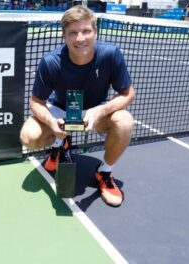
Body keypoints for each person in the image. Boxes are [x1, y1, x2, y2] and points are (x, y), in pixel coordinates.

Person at [20, 5, 135, 207]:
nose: (80, 39)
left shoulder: (111, 54)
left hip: (97, 110)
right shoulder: (50, 62)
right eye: (72, 33)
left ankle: (104, 173)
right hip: (60, 109)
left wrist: (102, 109)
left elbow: (127, 94)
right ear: (64, 36)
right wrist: (52, 122)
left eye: (86, 31)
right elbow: (36, 102)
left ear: (95, 32)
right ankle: (59, 145)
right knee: (27, 137)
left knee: (125, 122)